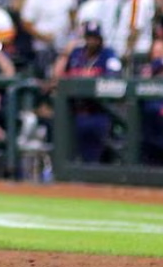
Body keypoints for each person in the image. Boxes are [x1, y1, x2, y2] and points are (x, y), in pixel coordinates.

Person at [52, 21, 122, 163]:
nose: (92, 41)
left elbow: (114, 77)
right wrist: (65, 54)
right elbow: (56, 77)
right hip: (76, 112)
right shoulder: (76, 54)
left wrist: (87, 77)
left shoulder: (108, 54)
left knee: (96, 156)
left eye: (95, 38)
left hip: (100, 111)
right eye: (89, 37)